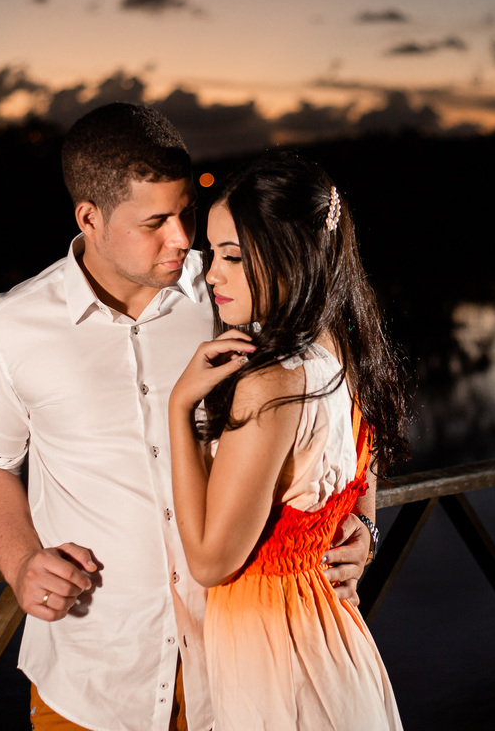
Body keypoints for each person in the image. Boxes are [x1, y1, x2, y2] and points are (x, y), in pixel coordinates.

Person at [0, 104, 375, 731]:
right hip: (95, 675)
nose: (182, 238)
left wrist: (362, 520)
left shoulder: (234, 289)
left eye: (187, 212)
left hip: (238, 668)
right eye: (156, 221)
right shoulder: (7, 331)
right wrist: (20, 563)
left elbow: (337, 407)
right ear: (89, 218)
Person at [168, 152, 409, 730]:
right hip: (327, 640)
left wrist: (178, 409)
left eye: (233, 256)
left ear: (289, 258)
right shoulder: (346, 355)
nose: (212, 274)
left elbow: (209, 560)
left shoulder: (272, 383)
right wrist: (367, 527)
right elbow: (359, 470)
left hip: (276, 659)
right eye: (212, 254)